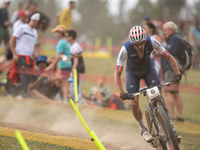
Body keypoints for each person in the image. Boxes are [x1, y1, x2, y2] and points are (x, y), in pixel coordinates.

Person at [114, 26, 182, 142]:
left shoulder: (152, 41)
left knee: (159, 97)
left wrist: (177, 73)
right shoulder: (125, 49)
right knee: (133, 103)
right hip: (132, 74)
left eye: (142, 43)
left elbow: (169, 57)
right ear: (132, 43)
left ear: (145, 39)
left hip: (148, 70)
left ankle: (171, 129)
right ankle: (143, 129)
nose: (140, 46)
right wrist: (121, 92)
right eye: (136, 44)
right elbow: (117, 74)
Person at [9, 13, 40, 99]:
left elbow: (35, 45)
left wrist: (36, 52)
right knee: (24, 76)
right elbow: (12, 40)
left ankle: (16, 94)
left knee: (28, 77)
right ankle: (21, 95)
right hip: (21, 56)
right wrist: (14, 54)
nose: (37, 25)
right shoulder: (22, 28)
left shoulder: (35, 32)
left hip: (30, 58)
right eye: (37, 22)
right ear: (33, 21)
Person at [163, 21, 184, 122]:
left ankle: (171, 116)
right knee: (175, 92)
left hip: (171, 68)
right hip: (176, 69)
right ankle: (180, 116)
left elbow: (171, 52)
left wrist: (162, 51)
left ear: (171, 30)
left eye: (165, 30)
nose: (164, 33)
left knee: (168, 91)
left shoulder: (174, 38)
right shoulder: (178, 38)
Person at [45, 25, 72, 103]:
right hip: (68, 65)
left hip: (65, 65)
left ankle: (66, 100)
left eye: (57, 32)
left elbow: (59, 56)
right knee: (64, 82)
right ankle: (66, 99)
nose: (56, 33)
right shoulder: (67, 42)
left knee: (65, 82)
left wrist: (51, 66)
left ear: (60, 33)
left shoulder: (61, 43)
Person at [65, 29, 85, 103]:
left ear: (71, 37)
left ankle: (80, 103)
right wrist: (66, 59)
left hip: (78, 70)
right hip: (76, 70)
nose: (65, 37)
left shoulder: (75, 47)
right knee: (72, 88)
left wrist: (72, 72)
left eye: (66, 36)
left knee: (77, 88)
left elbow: (76, 61)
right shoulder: (72, 46)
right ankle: (77, 102)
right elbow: (73, 58)